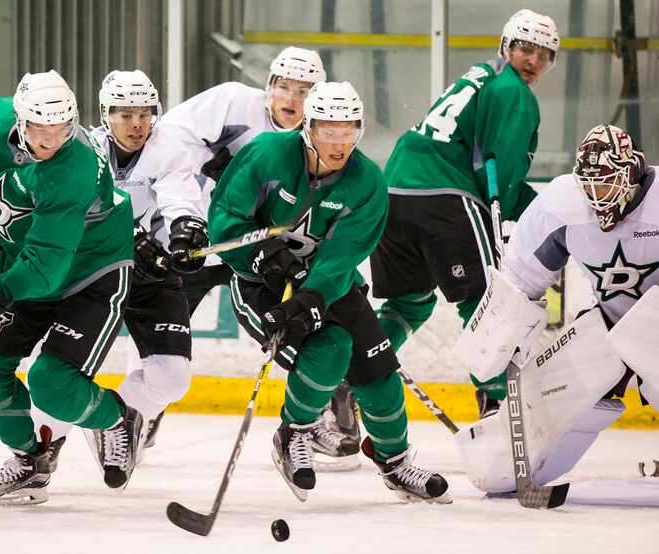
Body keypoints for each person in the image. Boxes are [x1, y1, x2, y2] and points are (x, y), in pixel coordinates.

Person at [207, 81, 451, 504]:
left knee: (378, 370)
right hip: (259, 285)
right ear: (308, 128)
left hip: (328, 286)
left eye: (348, 132)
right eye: (328, 132)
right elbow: (224, 220)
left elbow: (343, 256)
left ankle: (394, 462)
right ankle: (294, 433)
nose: (339, 144)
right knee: (330, 349)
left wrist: (314, 295)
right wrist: (262, 255)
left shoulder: (366, 182)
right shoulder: (268, 154)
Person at [0, 70, 138, 505]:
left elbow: (48, 268)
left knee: (51, 382)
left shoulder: (72, 170)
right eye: (40, 129)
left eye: (62, 128)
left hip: (93, 272)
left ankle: (117, 419)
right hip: (32, 264)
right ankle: (31, 462)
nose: (51, 140)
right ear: (19, 122)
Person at [157, 48, 361, 464]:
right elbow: (171, 132)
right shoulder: (233, 103)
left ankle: (323, 413)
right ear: (269, 86)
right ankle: (140, 415)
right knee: (162, 336)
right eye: (283, 87)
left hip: (267, 256)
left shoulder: (320, 138)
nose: (291, 98)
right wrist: (204, 166)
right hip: (208, 243)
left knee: (309, 326)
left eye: (304, 91)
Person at [369, 9, 560, 418]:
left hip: (395, 192)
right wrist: (537, 211)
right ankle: (496, 405)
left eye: (544, 55)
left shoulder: (480, 75)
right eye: (526, 49)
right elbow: (500, 176)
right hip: (443, 197)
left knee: (409, 305)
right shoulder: (514, 93)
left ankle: (353, 381)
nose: (534, 61)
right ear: (507, 47)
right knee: (488, 300)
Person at [456, 124, 658, 492]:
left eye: (607, 183)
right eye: (590, 184)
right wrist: (502, 334)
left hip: (655, 326)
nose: (598, 196)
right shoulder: (562, 203)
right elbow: (519, 278)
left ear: (631, 172)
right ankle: (502, 467)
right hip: (607, 326)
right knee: (539, 413)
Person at [27, 69, 206, 466]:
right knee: (63, 371)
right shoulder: (82, 151)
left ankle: (118, 419)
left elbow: (179, 196)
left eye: (144, 113)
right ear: (105, 115)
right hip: (94, 275)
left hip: (150, 276)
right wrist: (127, 237)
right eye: (125, 114)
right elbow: (81, 209)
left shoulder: (170, 148)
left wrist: (185, 231)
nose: (136, 123)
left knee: (173, 377)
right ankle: (38, 453)